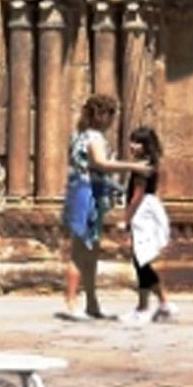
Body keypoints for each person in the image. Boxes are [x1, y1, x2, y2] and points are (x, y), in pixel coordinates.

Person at [61, 94, 152, 320]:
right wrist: (133, 166)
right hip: (86, 196)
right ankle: (71, 302)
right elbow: (100, 163)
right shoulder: (93, 137)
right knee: (80, 252)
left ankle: (92, 302)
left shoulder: (79, 135)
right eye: (111, 114)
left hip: (88, 194)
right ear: (101, 115)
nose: (113, 120)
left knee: (91, 252)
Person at [118, 125, 178, 324]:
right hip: (146, 210)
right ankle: (145, 306)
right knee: (139, 261)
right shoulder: (146, 164)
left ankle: (161, 302)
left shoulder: (142, 168)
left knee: (141, 261)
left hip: (142, 212)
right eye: (131, 141)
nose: (132, 146)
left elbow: (137, 196)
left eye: (137, 142)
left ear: (146, 145)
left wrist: (125, 219)